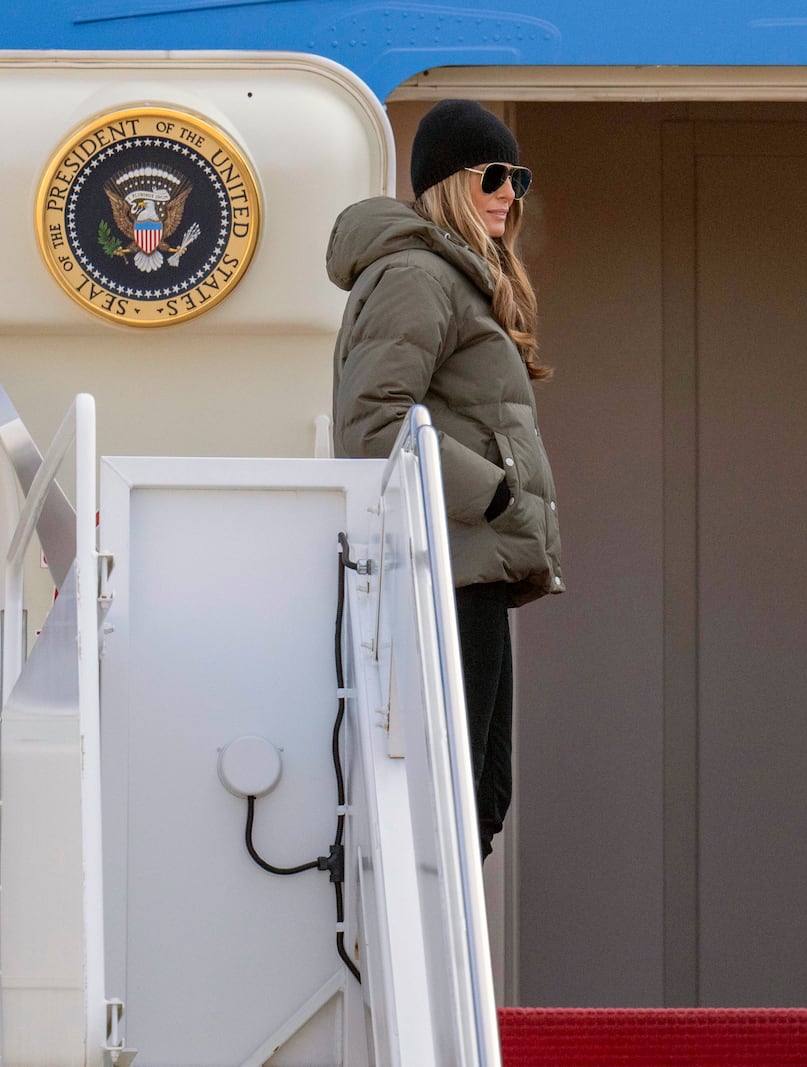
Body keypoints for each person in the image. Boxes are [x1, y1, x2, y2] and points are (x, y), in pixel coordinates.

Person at [327, 98, 564, 860]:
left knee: (480, 796)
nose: (509, 193)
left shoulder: (458, 278)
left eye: (517, 178)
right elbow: (371, 421)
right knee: (454, 796)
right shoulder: (417, 275)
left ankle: (458, 983)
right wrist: (491, 491)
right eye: (492, 175)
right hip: (449, 565)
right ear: (447, 183)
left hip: (472, 565)